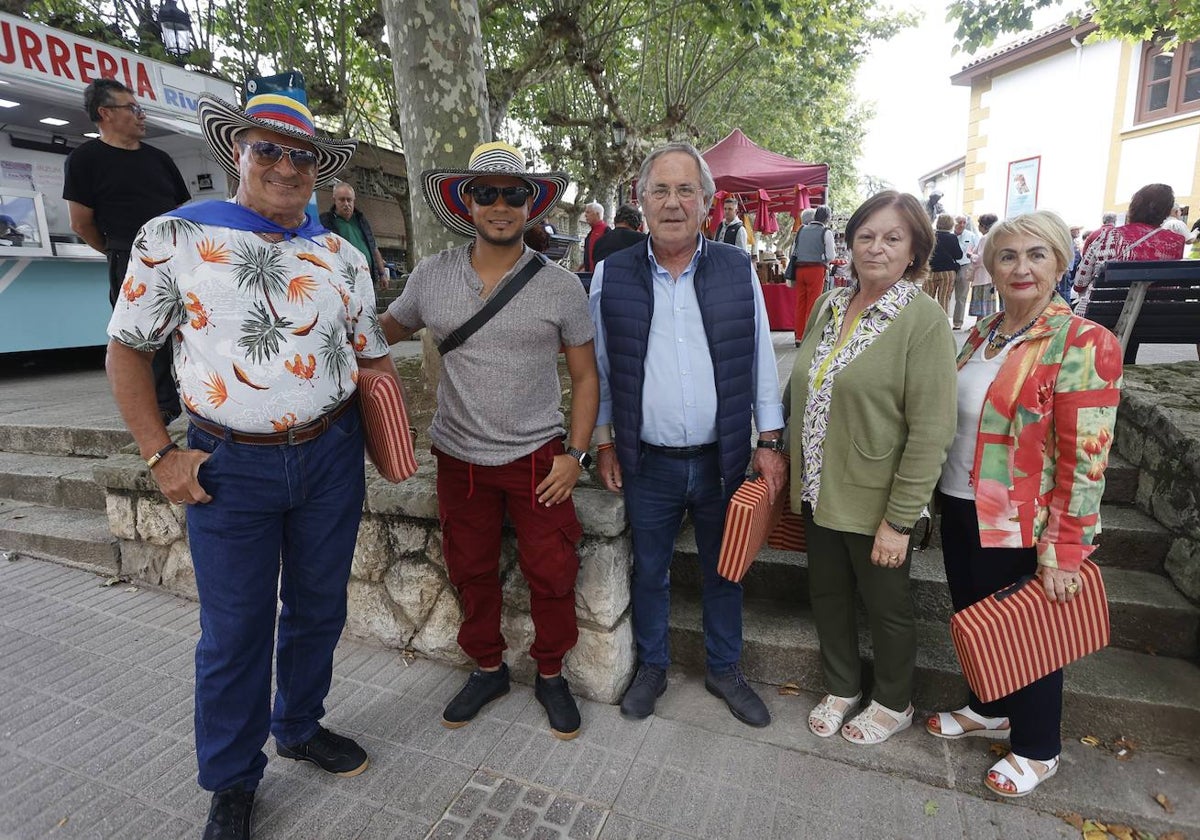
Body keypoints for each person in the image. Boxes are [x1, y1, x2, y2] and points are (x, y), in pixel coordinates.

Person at [106, 90, 393, 840]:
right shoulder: (175, 236)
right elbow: (128, 349)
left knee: (319, 608)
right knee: (235, 631)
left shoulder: (341, 256)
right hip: (229, 465)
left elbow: (372, 358)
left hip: (330, 458)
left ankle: (298, 724)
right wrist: (160, 454)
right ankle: (232, 779)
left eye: (302, 155)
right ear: (239, 152)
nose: (286, 166)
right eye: (269, 149)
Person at [380, 141, 599, 741]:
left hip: (536, 458)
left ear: (529, 204)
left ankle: (551, 673)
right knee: (470, 568)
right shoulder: (431, 277)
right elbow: (381, 336)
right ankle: (488, 666)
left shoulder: (560, 287)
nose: (500, 205)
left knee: (550, 571)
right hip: (459, 460)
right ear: (466, 201)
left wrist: (574, 455)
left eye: (513, 193)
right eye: (486, 193)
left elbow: (585, 377)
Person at [590, 142, 786, 728]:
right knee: (649, 569)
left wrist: (769, 442)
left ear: (706, 202)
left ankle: (725, 668)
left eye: (685, 191)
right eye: (660, 190)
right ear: (640, 201)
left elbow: (760, 360)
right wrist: (603, 440)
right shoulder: (610, 272)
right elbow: (601, 366)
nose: (672, 202)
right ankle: (652, 665)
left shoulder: (735, 268)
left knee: (726, 567)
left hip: (723, 457)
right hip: (647, 460)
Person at [927, 210, 1122, 798]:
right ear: (989, 266)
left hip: (1023, 515)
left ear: (1061, 262)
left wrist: (1065, 548)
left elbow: (1087, 455)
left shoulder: (1083, 341)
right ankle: (989, 706)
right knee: (976, 615)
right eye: (1007, 256)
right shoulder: (983, 333)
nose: (1021, 267)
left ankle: (1038, 747)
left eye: (1037, 255)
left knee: (1028, 633)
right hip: (962, 502)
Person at [790, 190, 956, 745]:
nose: (877, 248)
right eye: (866, 236)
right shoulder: (831, 304)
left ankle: (893, 700)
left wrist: (901, 519)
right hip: (819, 486)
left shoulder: (922, 318)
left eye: (892, 238)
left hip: (879, 497)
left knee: (887, 607)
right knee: (828, 593)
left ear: (914, 250)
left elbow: (932, 427)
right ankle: (842, 685)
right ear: (849, 242)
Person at [65, 78, 191, 425]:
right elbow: (81, 222)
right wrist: (118, 253)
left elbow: (183, 208)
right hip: (128, 256)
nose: (141, 115)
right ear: (105, 113)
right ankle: (161, 408)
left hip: (179, 256)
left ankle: (200, 395)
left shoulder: (159, 159)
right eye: (132, 108)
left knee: (192, 326)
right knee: (141, 337)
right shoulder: (84, 160)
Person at [1073, 183, 1187, 316]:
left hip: (1101, 318)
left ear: (1134, 207)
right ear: (1166, 211)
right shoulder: (1175, 241)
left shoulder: (1108, 236)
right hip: (1154, 321)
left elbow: (1079, 283)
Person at [320, 182, 390, 289]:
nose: (346, 204)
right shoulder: (326, 222)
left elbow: (373, 248)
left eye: (349, 200)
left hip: (368, 280)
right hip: (343, 282)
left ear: (354, 200)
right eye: (342, 200)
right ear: (334, 200)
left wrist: (382, 274)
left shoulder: (361, 220)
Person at [788, 205, 837, 345]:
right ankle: (808, 335)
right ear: (827, 218)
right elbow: (830, 255)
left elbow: (794, 251)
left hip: (799, 270)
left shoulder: (801, 230)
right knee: (813, 303)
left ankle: (798, 335)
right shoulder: (825, 232)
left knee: (800, 303)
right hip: (815, 270)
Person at [926, 213, 963, 315]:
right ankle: (942, 326)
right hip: (947, 272)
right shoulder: (952, 238)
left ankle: (924, 324)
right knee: (944, 299)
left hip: (930, 270)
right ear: (951, 224)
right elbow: (958, 255)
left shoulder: (930, 236)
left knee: (926, 299)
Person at [968, 213, 999, 320]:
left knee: (981, 305)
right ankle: (983, 325)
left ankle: (981, 325)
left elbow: (981, 259)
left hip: (982, 276)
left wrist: (971, 255)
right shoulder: (995, 237)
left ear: (984, 225)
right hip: (990, 275)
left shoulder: (984, 238)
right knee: (988, 304)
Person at [952, 215, 979, 329]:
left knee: (961, 296)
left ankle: (958, 322)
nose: (962, 225)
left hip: (964, 265)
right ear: (954, 223)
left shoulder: (971, 236)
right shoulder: (949, 235)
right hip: (950, 267)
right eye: (959, 222)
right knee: (945, 295)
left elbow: (977, 250)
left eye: (964, 222)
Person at [579, 201, 610, 271]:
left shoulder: (606, 231)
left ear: (597, 214)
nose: (585, 215)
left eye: (588, 212)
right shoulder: (590, 233)